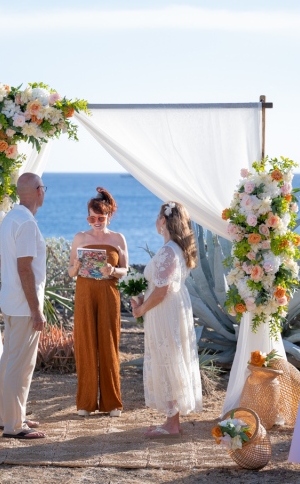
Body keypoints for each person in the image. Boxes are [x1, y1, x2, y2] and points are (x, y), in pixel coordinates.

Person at [131, 201, 202, 436]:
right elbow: (159, 286)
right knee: (170, 356)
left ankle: (172, 424)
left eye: (157, 216)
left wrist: (141, 310)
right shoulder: (177, 249)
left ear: (163, 221)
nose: (155, 220)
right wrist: (141, 297)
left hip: (165, 310)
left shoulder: (169, 250)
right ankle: (171, 420)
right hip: (171, 307)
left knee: (167, 357)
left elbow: (161, 291)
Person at [68, 187, 129, 417]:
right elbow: (71, 271)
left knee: (108, 344)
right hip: (84, 293)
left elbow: (126, 269)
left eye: (100, 218)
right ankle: (85, 403)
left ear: (108, 216)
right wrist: (75, 267)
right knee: (85, 344)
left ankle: (112, 403)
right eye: (91, 218)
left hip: (108, 293)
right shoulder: (80, 238)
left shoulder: (118, 238)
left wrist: (114, 270)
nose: (96, 222)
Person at [0, 172, 48, 439]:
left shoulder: (10, 219)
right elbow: (25, 268)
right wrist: (36, 309)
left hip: (10, 301)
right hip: (23, 306)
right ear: (39, 191)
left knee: (9, 361)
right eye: (44, 188)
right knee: (19, 365)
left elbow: (1, 258)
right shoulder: (27, 223)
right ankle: (14, 426)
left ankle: (9, 416)